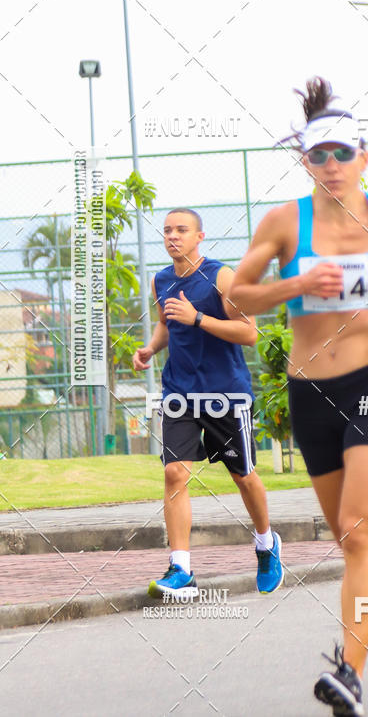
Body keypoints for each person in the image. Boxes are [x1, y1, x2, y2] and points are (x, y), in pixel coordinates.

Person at [227, 78, 368, 716]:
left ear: (364, 155)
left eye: (342, 153)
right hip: (312, 393)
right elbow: (237, 296)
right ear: (305, 159)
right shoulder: (284, 223)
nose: (331, 166)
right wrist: (294, 282)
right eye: (318, 155)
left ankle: (349, 675)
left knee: (357, 535)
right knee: (348, 531)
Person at [133, 208, 283, 600]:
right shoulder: (161, 280)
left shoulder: (221, 276)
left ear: (200, 236)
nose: (172, 236)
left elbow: (249, 332)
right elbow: (167, 322)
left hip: (225, 394)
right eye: (167, 230)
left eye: (181, 230)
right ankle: (181, 567)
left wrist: (198, 317)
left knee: (243, 476)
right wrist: (151, 347)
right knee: (174, 474)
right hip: (179, 393)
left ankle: (267, 544)